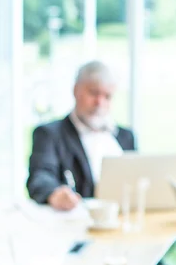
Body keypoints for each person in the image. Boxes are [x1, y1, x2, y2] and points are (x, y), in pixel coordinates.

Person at [27, 61, 137, 210]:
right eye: (93, 93)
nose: (99, 102)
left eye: (107, 96)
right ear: (76, 91)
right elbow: (40, 176)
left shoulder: (126, 137)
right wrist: (54, 193)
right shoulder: (50, 134)